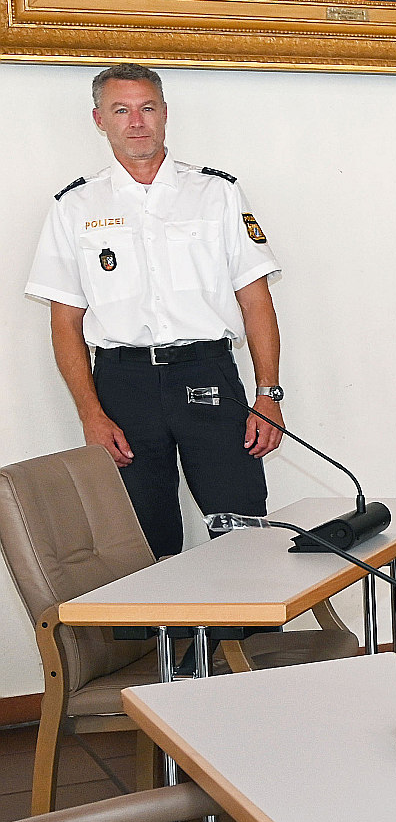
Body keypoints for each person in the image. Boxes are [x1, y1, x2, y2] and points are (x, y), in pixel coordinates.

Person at [26, 63, 287, 558]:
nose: (137, 122)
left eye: (147, 108)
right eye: (121, 110)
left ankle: (241, 637)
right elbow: (65, 322)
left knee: (240, 523)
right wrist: (90, 413)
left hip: (206, 373)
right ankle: (160, 638)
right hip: (124, 386)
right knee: (142, 532)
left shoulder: (217, 193)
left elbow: (256, 300)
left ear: (165, 114)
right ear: (99, 120)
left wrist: (268, 393)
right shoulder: (74, 206)